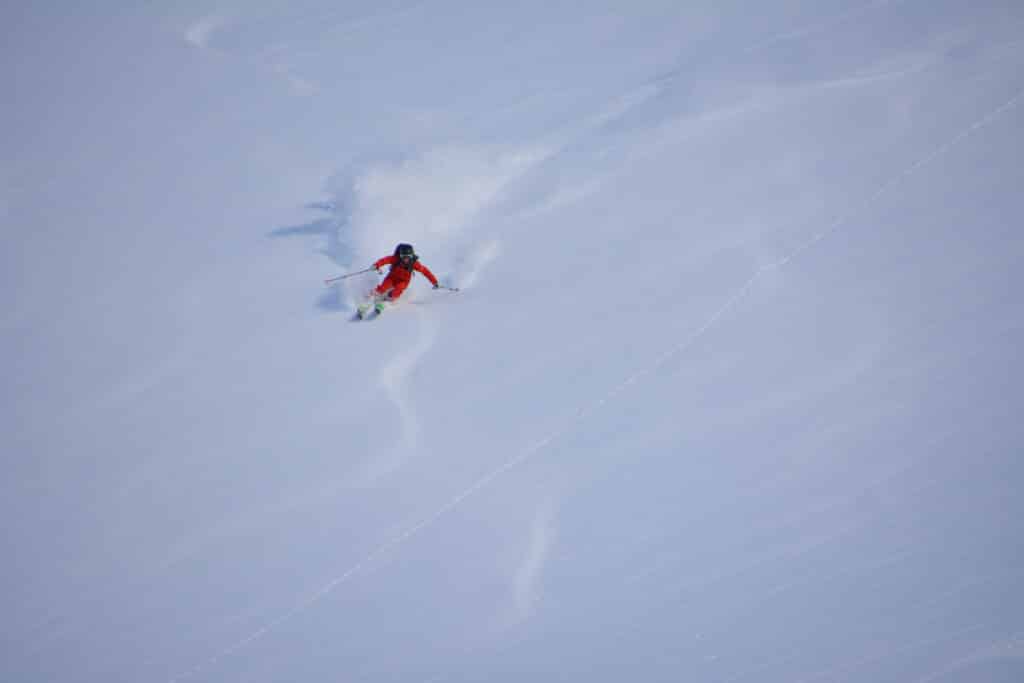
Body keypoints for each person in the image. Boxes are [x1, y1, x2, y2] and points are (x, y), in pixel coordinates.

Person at [371, 243, 439, 302]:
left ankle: (389, 298)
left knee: (398, 290)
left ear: (411, 256)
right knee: (383, 287)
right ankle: (373, 295)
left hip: (403, 281)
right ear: (400, 255)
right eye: (403, 257)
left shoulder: (414, 264)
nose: (405, 259)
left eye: (408, 257)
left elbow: (425, 271)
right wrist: (376, 265)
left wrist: (434, 282)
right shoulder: (396, 259)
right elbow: (385, 260)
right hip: (392, 278)